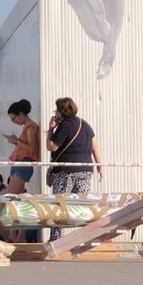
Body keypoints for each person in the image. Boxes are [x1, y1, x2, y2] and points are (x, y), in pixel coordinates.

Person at [44, 97, 102, 242]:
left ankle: (56, 239)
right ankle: (87, 236)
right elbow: (95, 146)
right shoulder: (86, 125)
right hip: (86, 171)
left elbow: (51, 146)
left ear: (60, 111)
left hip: (65, 172)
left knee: (59, 205)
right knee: (81, 206)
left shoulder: (65, 125)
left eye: (56, 110)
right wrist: (100, 166)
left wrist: (51, 128)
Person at [4, 99, 39, 195]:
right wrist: (16, 142)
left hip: (23, 164)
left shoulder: (30, 127)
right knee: (16, 198)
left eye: (14, 118)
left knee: (8, 196)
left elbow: (32, 149)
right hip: (19, 164)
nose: (13, 122)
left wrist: (16, 141)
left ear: (21, 113)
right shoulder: (28, 127)